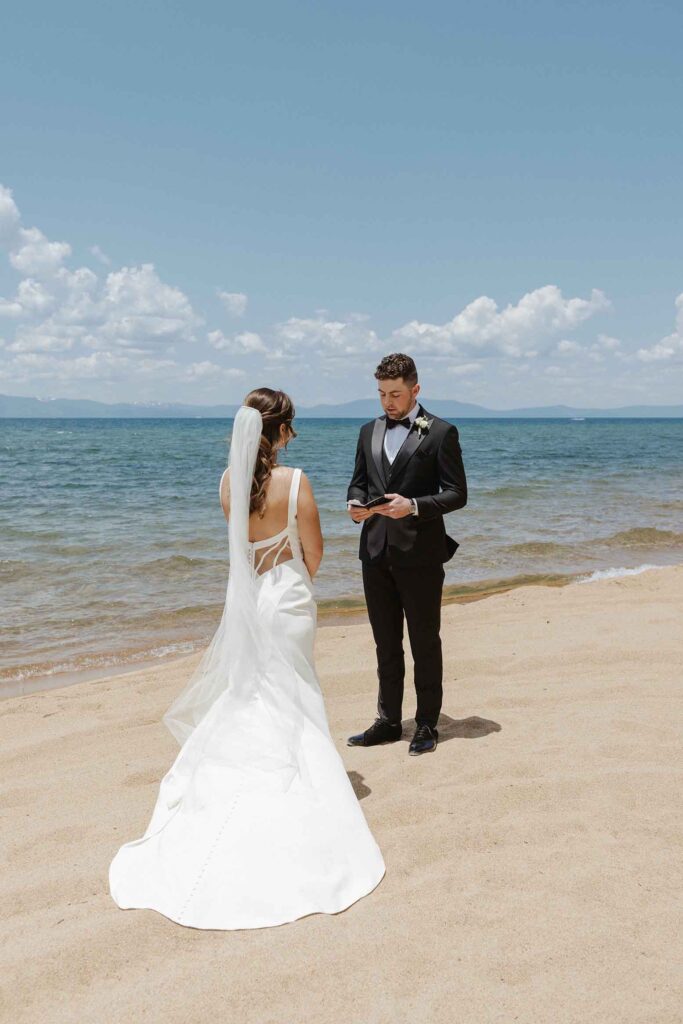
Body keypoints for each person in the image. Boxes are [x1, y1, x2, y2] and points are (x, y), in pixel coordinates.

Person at [109, 388, 385, 930]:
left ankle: (241, 773)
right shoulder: (297, 482)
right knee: (296, 691)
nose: (294, 436)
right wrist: (299, 584)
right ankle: (299, 785)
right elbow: (315, 550)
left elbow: (240, 553)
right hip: (289, 598)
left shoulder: (226, 484)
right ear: (279, 432)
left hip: (252, 600)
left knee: (255, 691)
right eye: (292, 426)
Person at [346, 353, 467, 755]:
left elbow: (456, 494)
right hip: (374, 552)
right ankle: (388, 720)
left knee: (424, 641)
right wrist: (355, 504)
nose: (387, 402)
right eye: (381, 394)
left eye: (395, 394)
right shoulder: (368, 431)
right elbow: (359, 482)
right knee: (385, 643)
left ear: (415, 389)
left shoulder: (441, 432)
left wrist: (413, 505)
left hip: (420, 555)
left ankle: (428, 724)